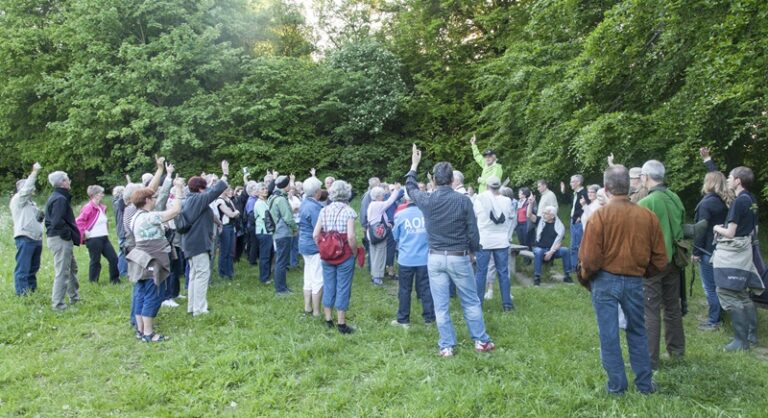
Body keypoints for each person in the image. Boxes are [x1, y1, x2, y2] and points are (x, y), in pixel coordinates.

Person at [579, 165, 667, 395]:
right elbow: (660, 259)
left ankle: (617, 386)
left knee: (608, 334)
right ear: (628, 186)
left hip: (605, 280)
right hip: (635, 280)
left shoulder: (599, 216)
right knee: (638, 331)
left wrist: (587, 278)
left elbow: (588, 259)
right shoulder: (647, 216)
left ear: (606, 188)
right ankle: (645, 385)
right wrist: (642, 272)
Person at [405, 144, 495, 357]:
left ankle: (447, 346)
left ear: (434, 180)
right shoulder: (463, 200)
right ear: (452, 179)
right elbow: (473, 232)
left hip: (434, 258)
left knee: (441, 304)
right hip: (458, 256)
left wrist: (414, 164)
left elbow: (410, 188)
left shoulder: (427, 199)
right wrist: (474, 251)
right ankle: (481, 341)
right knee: (471, 301)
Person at [638, 160, 686, 369]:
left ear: (646, 177)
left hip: (654, 264)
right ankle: (677, 352)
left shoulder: (646, 203)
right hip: (674, 262)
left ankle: (650, 360)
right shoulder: (675, 198)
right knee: (672, 307)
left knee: (650, 310)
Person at [126, 178, 184, 342]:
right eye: (152, 198)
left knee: (142, 294)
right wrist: (178, 189)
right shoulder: (148, 217)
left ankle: (141, 330)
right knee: (153, 295)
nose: (155, 200)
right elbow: (175, 211)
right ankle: (149, 333)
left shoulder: (135, 216)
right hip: (152, 261)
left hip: (141, 260)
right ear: (146, 201)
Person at [713, 166, 761, 351]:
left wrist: (717, 228)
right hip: (745, 250)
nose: (727, 180)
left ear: (738, 181)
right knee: (741, 292)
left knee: (726, 291)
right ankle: (751, 335)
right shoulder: (752, 200)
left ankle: (741, 341)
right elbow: (754, 230)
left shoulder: (739, 202)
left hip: (732, 253)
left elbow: (731, 233)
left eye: (730, 177)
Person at [182, 160, 230, 317]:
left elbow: (210, 192)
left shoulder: (190, 199)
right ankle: (200, 309)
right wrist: (225, 174)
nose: (206, 190)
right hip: (197, 244)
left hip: (191, 243)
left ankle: (192, 307)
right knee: (202, 274)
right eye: (204, 187)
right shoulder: (197, 199)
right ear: (200, 188)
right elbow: (214, 192)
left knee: (195, 275)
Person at [313, 180, 358, 334]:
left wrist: (323, 247)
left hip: (327, 255)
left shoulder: (323, 210)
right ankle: (341, 323)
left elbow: (315, 234)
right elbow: (351, 237)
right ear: (347, 193)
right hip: (344, 254)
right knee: (343, 287)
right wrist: (354, 252)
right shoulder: (349, 211)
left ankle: (328, 319)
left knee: (329, 285)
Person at [391, 190, 435, 327]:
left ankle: (403, 320)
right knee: (426, 289)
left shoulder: (400, 215)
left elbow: (395, 237)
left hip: (406, 258)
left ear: (405, 199)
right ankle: (429, 318)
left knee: (404, 289)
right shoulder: (427, 215)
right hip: (425, 259)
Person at [693, 171, 730, 331]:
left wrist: (696, 252)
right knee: (719, 285)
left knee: (710, 287)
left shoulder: (707, 203)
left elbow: (701, 229)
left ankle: (714, 320)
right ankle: (720, 315)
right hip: (722, 248)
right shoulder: (726, 201)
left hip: (707, 249)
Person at [473, 176, 515, 311]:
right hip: (501, 241)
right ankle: (507, 304)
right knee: (503, 272)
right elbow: (510, 216)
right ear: (499, 187)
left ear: (487, 186)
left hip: (484, 241)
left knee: (481, 272)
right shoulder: (508, 201)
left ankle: (478, 304)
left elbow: (475, 217)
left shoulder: (479, 199)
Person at [45, 171, 81, 310]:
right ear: (62, 182)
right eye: (68, 179)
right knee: (62, 271)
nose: (70, 181)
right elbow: (56, 222)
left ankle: (74, 297)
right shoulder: (59, 198)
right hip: (60, 239)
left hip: (60, 238)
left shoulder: (59, 196)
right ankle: (58, 304)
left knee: (72, 268)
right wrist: (67, 235)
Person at [11, 162, 44, 296]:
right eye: (30, 188)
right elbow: (27, 189)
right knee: (23, 268)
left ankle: (32, 290)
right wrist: (34, 172)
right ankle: (22, 294)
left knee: (33, 268)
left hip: (36, 238)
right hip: (25, 237)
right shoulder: (19, 199)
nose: (32, 190)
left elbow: (37, 218)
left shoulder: (31, 203)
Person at [76, 185, 120, 284]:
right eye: (101, 193)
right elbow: (79, 221)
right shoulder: (88, 207)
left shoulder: (101, 207)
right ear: (95, 195)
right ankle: (93, 282)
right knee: (95, 261)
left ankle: (115, 280)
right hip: (93, 239)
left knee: (113, 258)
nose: (102, 195)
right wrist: (84, 233)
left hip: (104, 237)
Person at [527, 203, 572, 286]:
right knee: (539, 251)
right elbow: (529, 215)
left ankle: (567, 275)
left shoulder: (559, 226)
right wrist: (530, 203)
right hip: (540, 248)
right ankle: (537, 277)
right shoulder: (540, 220)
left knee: (565, 250)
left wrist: (551, 252)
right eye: (543, 213)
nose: (543, 215)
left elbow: (559, 243)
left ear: (552, 215)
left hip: (553, 250)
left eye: (545, 213)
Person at [298, 176, 325, 316]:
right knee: (318, 279)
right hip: (314, 246)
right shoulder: (315, 207)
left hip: (303, 244)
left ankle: (307, 307)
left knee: (308, 277)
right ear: (317, 192)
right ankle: (316, 311)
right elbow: (318, 229)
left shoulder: (304, 203)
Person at [366, 185, 402, 285]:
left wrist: (388, 224)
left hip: (372, 233)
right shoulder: (378, 204)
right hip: (378, 234)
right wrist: (396, 190)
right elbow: (390, 201)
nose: (383, 196)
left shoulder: (372, 204)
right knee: (380, 254)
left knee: (374, 253)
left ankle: (374, 274)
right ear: (378, 196)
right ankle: (377, 277)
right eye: (382, 195)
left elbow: (379, 218)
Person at [269, 175, 298, 294]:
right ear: (286, 185)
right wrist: (295, 228)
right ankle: (280, 289)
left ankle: (282, 287)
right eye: (289, 184)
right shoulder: (281, 199)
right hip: (283, 233)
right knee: (281, 262)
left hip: (278, 232)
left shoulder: (273, 196)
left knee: (281, 261)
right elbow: (288, 217)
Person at [561, 175, 590, 269]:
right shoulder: (576, 193)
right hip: (573, 220)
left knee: (576, 245)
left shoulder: (584, 193)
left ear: (578, 182)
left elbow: (588, 206)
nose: (570, 184)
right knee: (574, 244)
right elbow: (569, 203)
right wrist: (563, 191)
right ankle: (574, 266)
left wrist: (579, 216)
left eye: (572, 182)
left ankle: (575, 267)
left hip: (578, 221)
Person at [214, 187, 240, 279]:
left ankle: (230, 272)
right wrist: (235, 212)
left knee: (230, 251)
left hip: (231, 226)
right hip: (225, 227)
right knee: (224, 251)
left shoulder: (228, 200)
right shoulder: (219, 201)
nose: (230, 191)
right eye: (228, 190)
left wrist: (235, 213)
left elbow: (235, 212)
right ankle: (223, 273)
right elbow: (232, 214)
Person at [253, 182, 274, 284]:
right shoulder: (259, 203)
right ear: (257, 192)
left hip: (268, 232)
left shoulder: (266, 201)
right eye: (262, 189)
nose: (265, 190)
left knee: (269, 254)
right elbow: (266, 218)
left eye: (266, 188)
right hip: (264, 232)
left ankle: (267, 275)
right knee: (265, 255)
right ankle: (264, 278)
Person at [113, 185, 128, 279]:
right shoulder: (119, 202)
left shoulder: (115, 202)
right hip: (123, 230)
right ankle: (122, 272)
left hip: (120, 229)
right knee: (123, 251)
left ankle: (123, 270)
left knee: (123, 250)